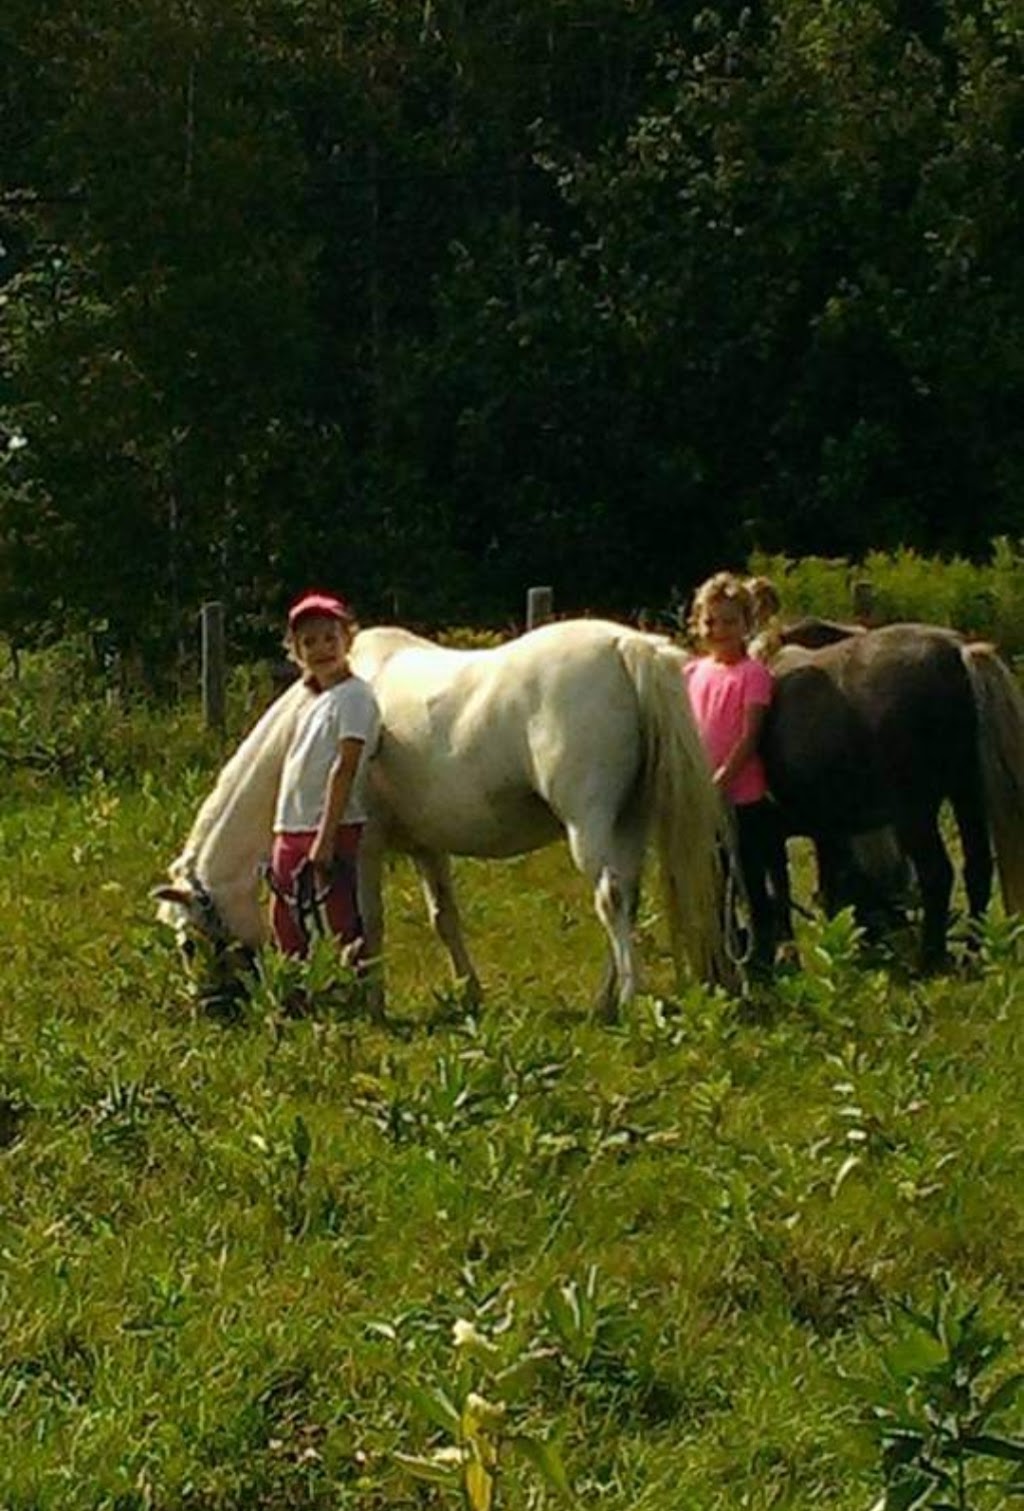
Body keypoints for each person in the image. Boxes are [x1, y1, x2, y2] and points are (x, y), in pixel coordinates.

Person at [683, 572, 791, 975]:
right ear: (698, 623)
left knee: (749, 878)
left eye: (729, 622)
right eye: (711, 622)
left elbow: (749, 736)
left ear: (747, 624)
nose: (719, 630)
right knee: (714, 881)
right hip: (703, 798)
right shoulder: (692, 673)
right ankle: (726, 950)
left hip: (742, 797)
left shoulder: (753, 675)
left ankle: (763, 953)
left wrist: (723, 780)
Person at [269, 591, 381, 958]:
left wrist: (326, 835)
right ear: (297, 652)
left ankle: (356, 991)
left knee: (340, 914)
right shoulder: (313, 702)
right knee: (285, 915)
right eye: (309, 642)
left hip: (330, 826)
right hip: (293, 825)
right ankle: (295, 995)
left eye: (330, 638)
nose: (322, 649)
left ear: (347, 640)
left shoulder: (355, 698)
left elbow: (345, 766)